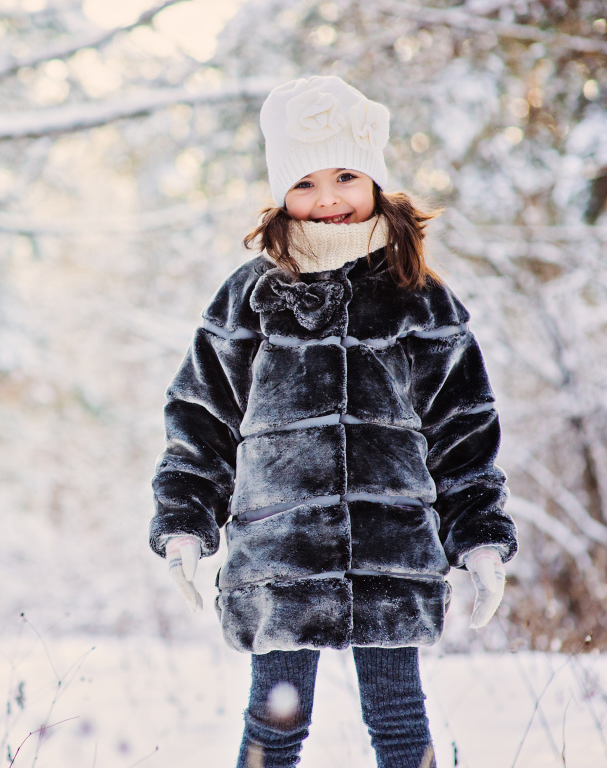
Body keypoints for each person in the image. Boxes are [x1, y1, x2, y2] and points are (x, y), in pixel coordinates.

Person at [148, 76, 517, 768]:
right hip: (280, 553)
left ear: (375, 177)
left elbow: (464, 429)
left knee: (400, 722)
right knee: (275, 721)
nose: (328, 199)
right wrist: (184, 524)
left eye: (346, 176)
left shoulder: (419, 299)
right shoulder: (251, 296)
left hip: (391, 552)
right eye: (306, 182)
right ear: (280, 192)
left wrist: (481, 540)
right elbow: (201, 418)